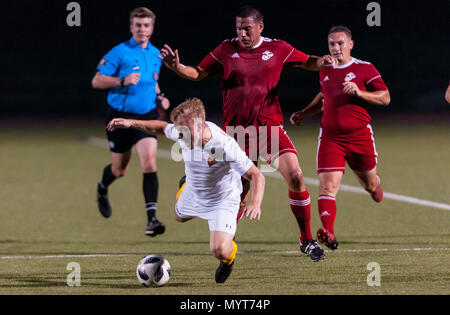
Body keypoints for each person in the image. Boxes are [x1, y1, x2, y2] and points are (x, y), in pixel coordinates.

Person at [158, 5, 336, 261]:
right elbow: (198, 73)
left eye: (247, 28)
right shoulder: (226, 50)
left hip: (269, 130)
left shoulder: (278, 48)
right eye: (238, 28)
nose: (241, 33)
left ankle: (306, 240)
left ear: (260, 27)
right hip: (237, 135)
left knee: (296, 175)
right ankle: (226, 251)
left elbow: (308, 61)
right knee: (238, 198)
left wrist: (323, 62)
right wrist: (177, 67)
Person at [107, 98, 265, 283]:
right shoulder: (184, 130)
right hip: (194, 190)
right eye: (178, 131)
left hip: (222, 199)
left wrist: (255, 203)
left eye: (184, 132)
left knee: (220, 250)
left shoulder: (224, 145)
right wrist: (130, 123)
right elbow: (160, 127)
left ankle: (229, 261)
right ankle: (185, 185)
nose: (180, 136)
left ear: (200, 125)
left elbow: (256, 175)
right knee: (179, 217)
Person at [290, 25, 391, 250]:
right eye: (332, 44)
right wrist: (304, 113)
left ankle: (374, 185)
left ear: (351, 44)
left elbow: (385, 98)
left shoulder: (365, 68)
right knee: (327, 188)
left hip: (359, 137)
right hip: (330, 138)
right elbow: (324, 95)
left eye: (340, 43)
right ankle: (329, 232)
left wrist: (359, 92)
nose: (336, 48)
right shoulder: (325, 69)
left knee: (370, 186)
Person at [91, 7, 170, 237]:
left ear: (152, 28)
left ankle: (152, 220)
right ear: (131, 27)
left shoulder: (157, 54)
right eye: (138, 25)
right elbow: (96, 81)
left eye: (146, 25)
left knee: (149, 162)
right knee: (120, 169)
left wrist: (160, 96)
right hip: (119, 118)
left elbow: (152, 83)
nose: (142, 29)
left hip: (146, 117)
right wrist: (122, 80)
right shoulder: (119, 52)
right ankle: (103, 188)